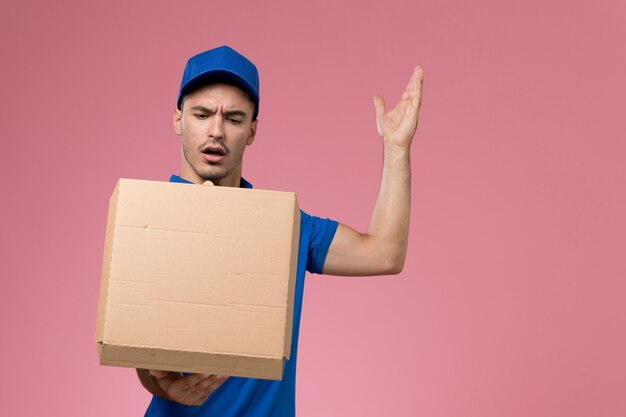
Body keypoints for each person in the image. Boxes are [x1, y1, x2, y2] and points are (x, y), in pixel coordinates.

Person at [136, 45, 424, 417]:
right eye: (202, 114)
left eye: (235, 119)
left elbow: (384, 253)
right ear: (178, 120)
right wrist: (166, 385)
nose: (216, 131)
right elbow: (139, 349)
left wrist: (396, 148)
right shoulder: (149, 220)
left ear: (253, 130)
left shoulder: (284, 226)